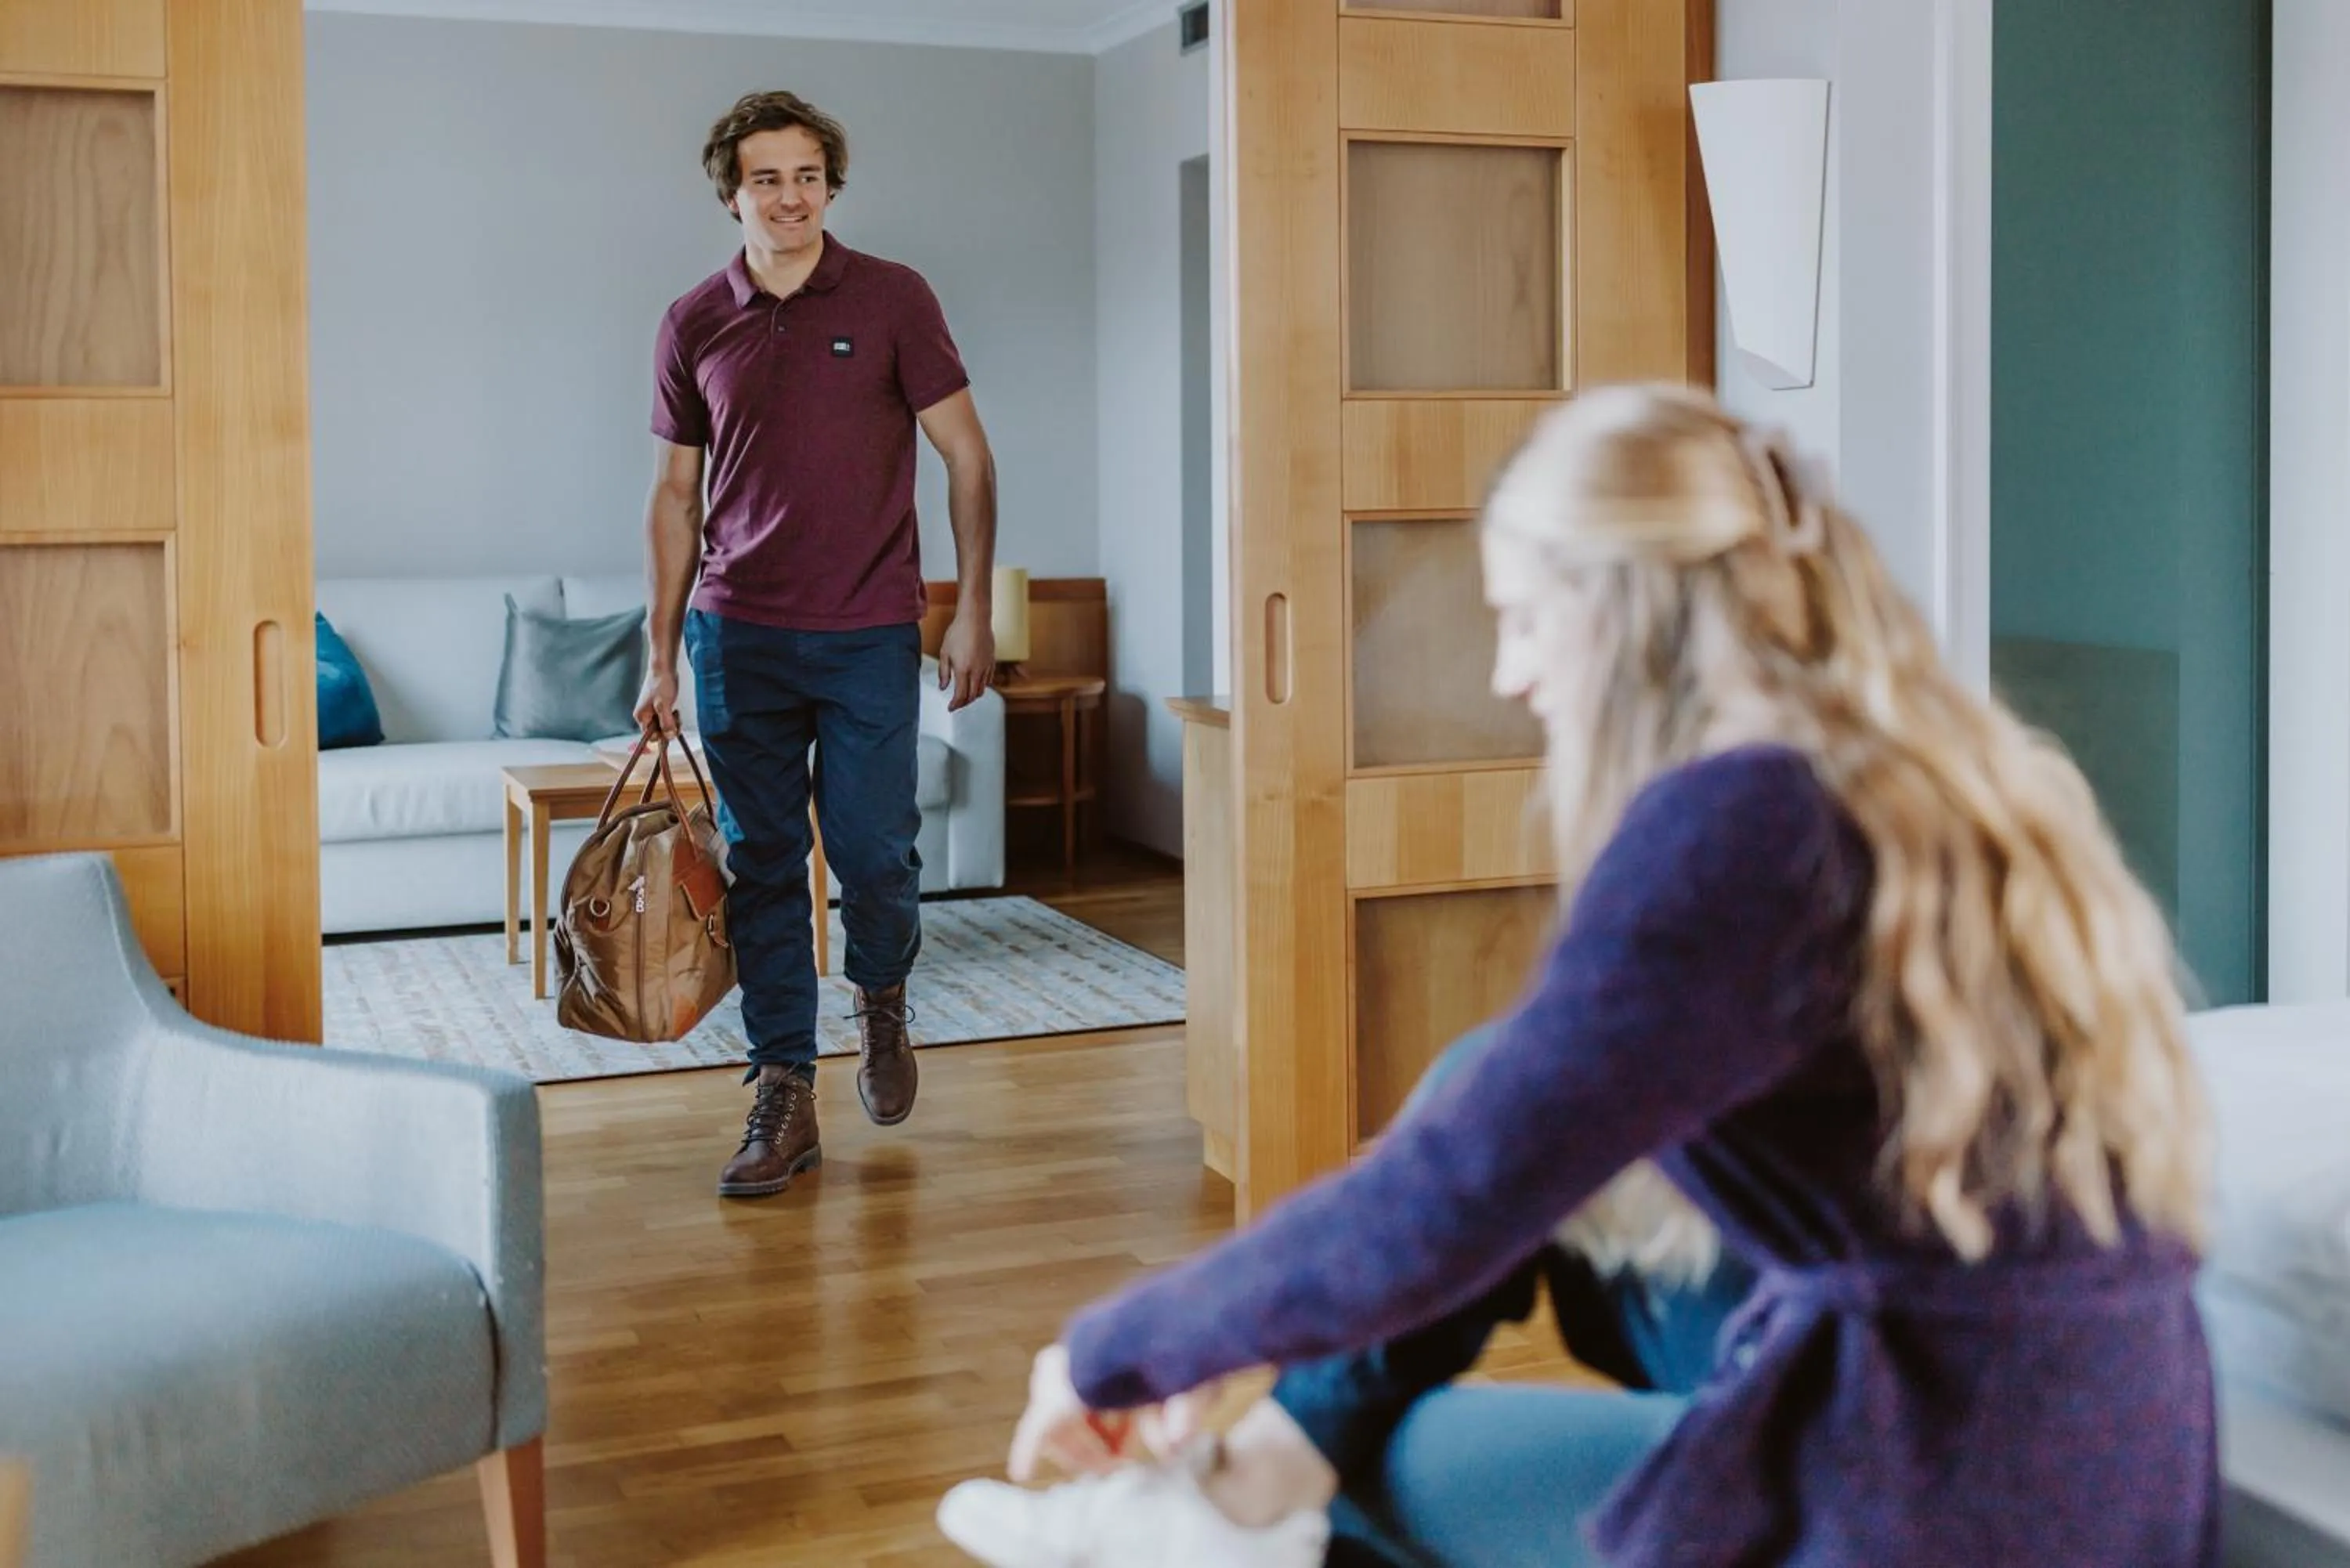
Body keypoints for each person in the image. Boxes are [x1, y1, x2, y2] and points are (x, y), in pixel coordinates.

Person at [938, 385, 2219, 1566]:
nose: (1511, 673)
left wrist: (1113, 1352)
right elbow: (1502, 1126)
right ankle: (1229, 1497)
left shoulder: (1744, 825)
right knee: (1482, 1077)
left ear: (1621, 606)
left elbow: (1454, 1194)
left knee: (1406, 1454)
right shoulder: (1903, 762)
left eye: (1522, 617)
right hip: (2095, 1421)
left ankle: (1243, 1505)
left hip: (1961, 1481)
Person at [637, 90, 999, 1198]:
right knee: (760, 867)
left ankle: (881, 998)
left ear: (830, 185)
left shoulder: (894, 299)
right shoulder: (694, 320)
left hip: (868, 631)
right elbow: (673, 498)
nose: (789, 197)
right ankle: (783, 1090)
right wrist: (659, 655)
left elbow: (969, 461)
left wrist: (971, 609)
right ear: (731, 191)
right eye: (766, 178)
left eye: (806, 176)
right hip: (736, 635)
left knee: (876, 850)